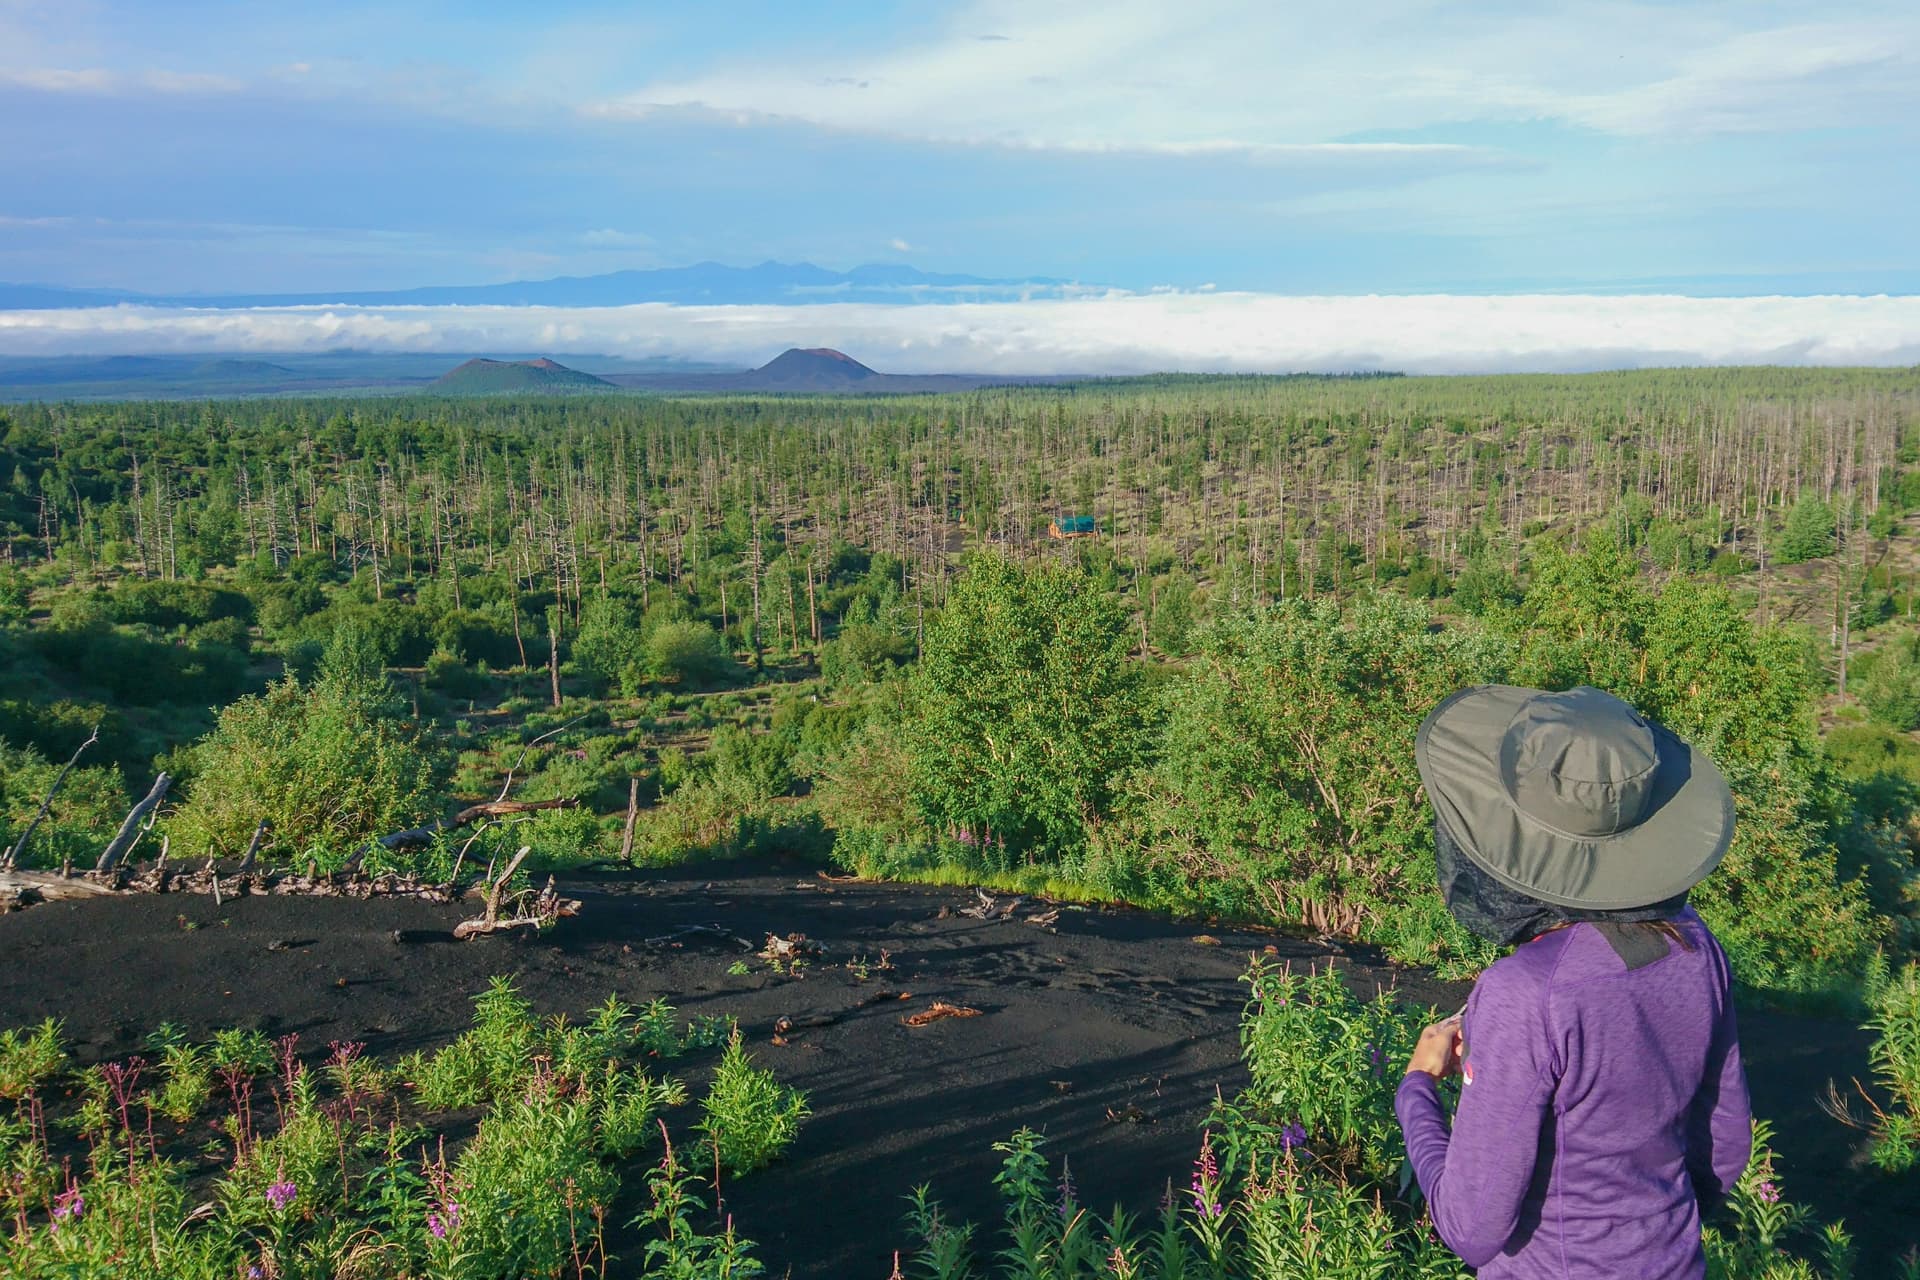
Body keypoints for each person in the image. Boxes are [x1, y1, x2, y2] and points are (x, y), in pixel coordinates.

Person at [1395, 684, 1752, 1280]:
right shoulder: (1695, 945)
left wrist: (1417, 1086)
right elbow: (1726, 1140)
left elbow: (1469, 1226)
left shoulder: (1527, 992)